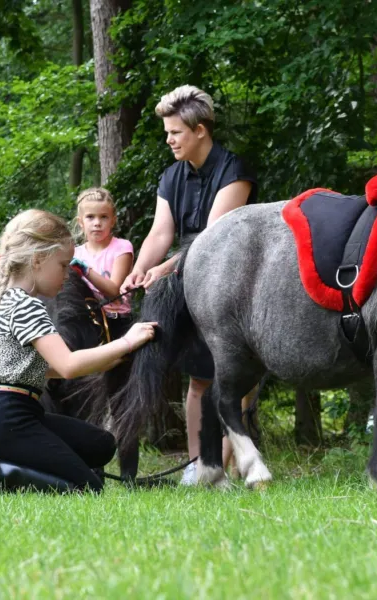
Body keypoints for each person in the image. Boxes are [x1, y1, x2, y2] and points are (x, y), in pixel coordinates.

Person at [0, 209, 156, 495]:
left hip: (6, 414)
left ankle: (12, 464)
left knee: (101, 445)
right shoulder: (26, 305)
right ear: (38, 260)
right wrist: (127, 341)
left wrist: (111, 358)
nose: (66, 274)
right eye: (63, 265)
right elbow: (67, 366)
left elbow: (40, 367)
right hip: (6, 419)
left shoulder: (9, 299)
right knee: (89, 487)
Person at [120, 85, 257, 484]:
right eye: (167, 132)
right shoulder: (170, 176)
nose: (169, 140)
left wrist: (161, 270)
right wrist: (138, 271)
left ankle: (224, 467)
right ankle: (200, 467)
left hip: (234, 283)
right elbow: (160, 233)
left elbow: (211, 239)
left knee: (233, 379)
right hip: (189, 282)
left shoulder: (235, 170)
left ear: (200, 130)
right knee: (199, 378)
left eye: (175, 132)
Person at [70, 187, 134, 340]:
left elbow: (113, 290)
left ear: (113, 220)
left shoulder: (122, 247)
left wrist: (85, 270)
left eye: (103, 217)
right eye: (90, 217)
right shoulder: (75, 254)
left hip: (117, 321)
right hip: (86, 322)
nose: (97, 223)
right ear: (81, 222)